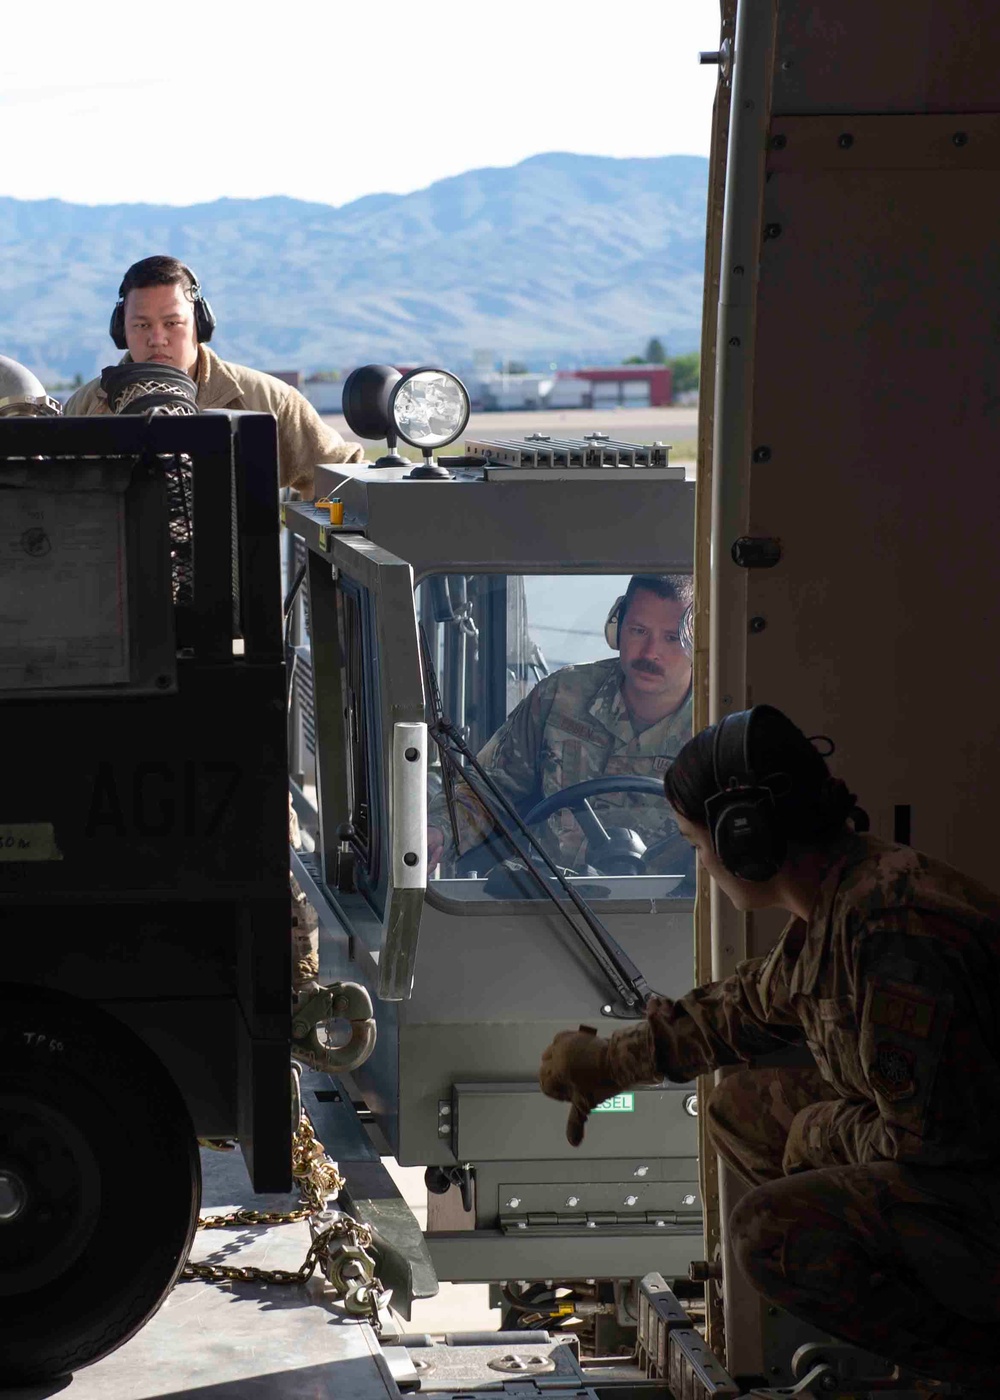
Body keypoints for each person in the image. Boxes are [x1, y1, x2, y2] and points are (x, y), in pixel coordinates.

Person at [539, 703, 1000, 1395]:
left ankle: (978, 1370)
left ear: (744, 838)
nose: (702, 864)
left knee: (769, 1232)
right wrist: (611, 1063)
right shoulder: (843, 900)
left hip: (977, 1188)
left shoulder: (893, 932)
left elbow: (932, 1155)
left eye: (699, 846)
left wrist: (820, 1132)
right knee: (739, 1107)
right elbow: (743, 1010)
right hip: (962, 1178)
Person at [427, 574, 694, 875]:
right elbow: (487, 787)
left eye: (671, 637)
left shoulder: (716, 725)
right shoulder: (562, 696)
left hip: (669, 914)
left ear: (699, 641)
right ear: (616, 629)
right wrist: (438, 830)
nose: (649, 653)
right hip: (549, 904)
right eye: (638, 630)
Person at [64, 255, 363, 494]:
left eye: (172, 323)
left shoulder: (269, 402)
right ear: (121, 331)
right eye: (142, 325)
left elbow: (344, 475)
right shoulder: (86, 407)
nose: (157, 338)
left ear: (200, 325)